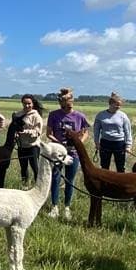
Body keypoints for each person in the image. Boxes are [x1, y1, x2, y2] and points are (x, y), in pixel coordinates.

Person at [46, 87, 90, 218]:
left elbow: (86, 131)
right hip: (58, 152)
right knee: (55, 178)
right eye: (66, 100)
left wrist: (80, 141)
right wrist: (58, 143)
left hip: (73, 152)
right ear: (61, 102)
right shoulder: (53, 115)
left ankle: (67, 207)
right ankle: (54, 206)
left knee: (70, 180)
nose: (69, 102)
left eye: (71, 99)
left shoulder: (80, 116)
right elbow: (49, 133)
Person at [93, 92, 133, 172]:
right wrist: (97, 142)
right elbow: (96, 130)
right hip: (105, 143)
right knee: (104, 166)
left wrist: (128, 145)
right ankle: (105, 183)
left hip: (119, 144)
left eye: (120, 105)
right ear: (110, 104)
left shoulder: (123, 116)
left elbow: (128, 131)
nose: (119, 107)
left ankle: (120, 183)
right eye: (117, 105)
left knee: (120, 167)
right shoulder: (101, 115)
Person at [12, 94, 44, 184]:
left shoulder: (36, 116)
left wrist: (25, 132)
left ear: (32, 104)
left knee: (35, 167)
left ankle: (38, 186)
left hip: (33, 146)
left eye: (29, 103)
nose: (27, 106)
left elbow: (38, 132)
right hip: (21, 146)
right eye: (25, 103)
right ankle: (24, 185)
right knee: (23, 167)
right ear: (22, 103)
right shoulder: (18, 114)